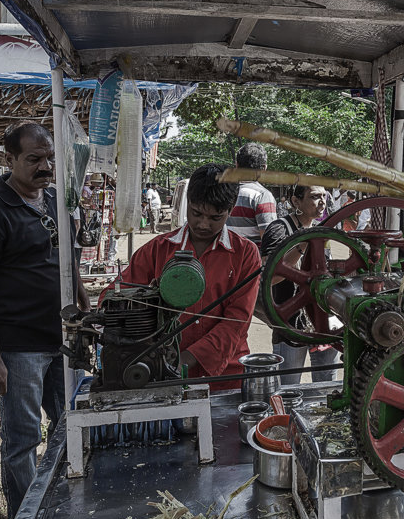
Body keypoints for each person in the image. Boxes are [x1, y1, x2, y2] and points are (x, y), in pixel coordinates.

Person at [0, 121, 88, 519]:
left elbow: (70, 265)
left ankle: (58, 510)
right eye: (33, 159)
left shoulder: (53, 201)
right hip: (19, 348)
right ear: (9, 159)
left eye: (49, 158)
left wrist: (84, 317)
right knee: (21, 440)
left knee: (70, 426)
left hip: (62, 339)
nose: (45, 166)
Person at [115, 164, 261, 390]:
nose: (203, 224)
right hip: (160, 372)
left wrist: (185, 358)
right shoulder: (156, 250)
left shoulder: (245, 254)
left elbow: (238, 321)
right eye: (196, 213)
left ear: (230, 209)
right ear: (188, 203)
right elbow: (117, 294)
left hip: (225, 374)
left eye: (215, 217)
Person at [260, 185, 341, 385]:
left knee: (326, 390)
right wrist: (303, 244)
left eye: (324, 196)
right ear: (296, 202)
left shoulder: (321, 231)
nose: (322, 201)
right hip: (290, 327)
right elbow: (271, 278)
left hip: (323, 325)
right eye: (314, 197)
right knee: (287, 390)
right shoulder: (279, 229)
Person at [228, 142, 278, 244]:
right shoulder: (262, 196)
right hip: (252, 258)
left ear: (237, 165)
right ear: (264, 168)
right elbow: (269, 241)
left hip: (224, 258)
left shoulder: (224, 191)